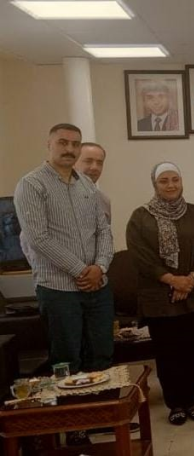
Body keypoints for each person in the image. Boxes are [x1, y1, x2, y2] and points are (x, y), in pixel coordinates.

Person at [14, 124, 114, 375]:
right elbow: (38, 238)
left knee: (102, 356)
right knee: (67, 362)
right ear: (49, 145)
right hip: (59, 289)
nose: (70, 149)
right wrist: (82, 271)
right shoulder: (31, 184)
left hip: (98, 287)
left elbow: (103, 231)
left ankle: (102, 402)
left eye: (75, 144)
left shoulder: (88, 186)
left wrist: (100, 267)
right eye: (63, 142)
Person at [125, 162, 194, 426]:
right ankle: (175, 404)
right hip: (159, 298)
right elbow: (141, 257)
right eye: (164, 181)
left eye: (175, 179)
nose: (171, 185)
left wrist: (190, 279)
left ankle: (191, 401)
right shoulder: (140, 218)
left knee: (193, 354)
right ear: (155, 184)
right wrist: (172, 281)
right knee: (167, 354)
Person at [72, 142, 110, 223]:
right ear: (73, 163)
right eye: (88, 161)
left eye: (99, 163)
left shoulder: (104, 201)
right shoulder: (56, 196)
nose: (94, 167)